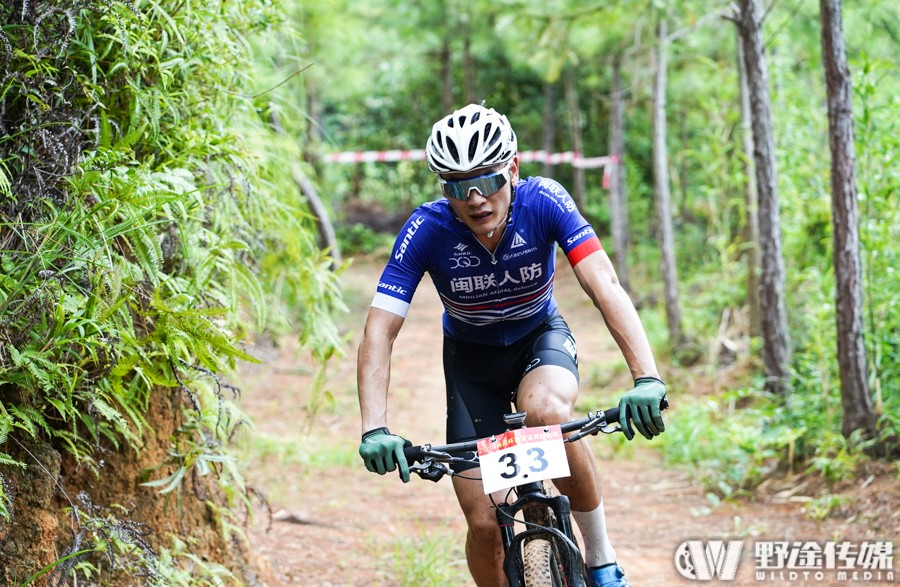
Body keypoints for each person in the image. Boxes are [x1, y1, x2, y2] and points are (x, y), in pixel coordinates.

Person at [356, 103, 667, 587]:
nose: (477, 197)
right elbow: (380, 328)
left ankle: (602, 559)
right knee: (484, 524)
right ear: (444, 191)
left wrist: (646, 376)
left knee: (547, 413)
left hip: (538, 341)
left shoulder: (545, 200)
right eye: (459, 186)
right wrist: (374, 427)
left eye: (490, 179)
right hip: (471, 365)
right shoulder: (428, 228)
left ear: (514, 168)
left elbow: (603, 282)